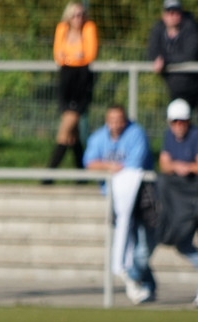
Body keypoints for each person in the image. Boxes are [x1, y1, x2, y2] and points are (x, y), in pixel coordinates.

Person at [83, 104, 156, 303]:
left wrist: (107, 167)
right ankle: (144, 285)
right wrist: (109, 166)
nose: (116, 125)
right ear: (107, 121)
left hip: (142, 197)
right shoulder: (98, 137)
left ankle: (134, 278)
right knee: (129, 243)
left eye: (120, 120)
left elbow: (132, 166)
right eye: (112, 121)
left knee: (143, 245)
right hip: (118, 200)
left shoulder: (136, 134)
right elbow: (90, 163)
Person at [156, 98, 198, 306]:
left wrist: (185, 167)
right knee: (181, 243)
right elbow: (164, 164)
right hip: (183, 201)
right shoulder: (168, 136)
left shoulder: (196, 136)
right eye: (175, 121)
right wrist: (178, 166)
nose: (179, 125)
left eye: (182, 121)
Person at [47, 2, 97, 174]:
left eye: (81, 15)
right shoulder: (62, 29)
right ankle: (81, 173)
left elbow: (89, 55)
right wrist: (73, 57)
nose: (78, 18)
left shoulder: (89, 28)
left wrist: (70, 58)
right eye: (75, 15)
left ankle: (48, 174)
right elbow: (58, 55)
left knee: (65, 130)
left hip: (81, 82)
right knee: (72, 135)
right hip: (66, 80)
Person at [147, 0, 198, 109]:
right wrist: (158, 59)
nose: (173, 16)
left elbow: (190, 55)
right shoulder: (158, 28)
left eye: (176, 12)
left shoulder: (191, 28)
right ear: (164, 15)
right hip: (172, 87)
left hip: (193, 84)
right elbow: (152, 51)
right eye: (169, 12)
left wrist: (165, 60)